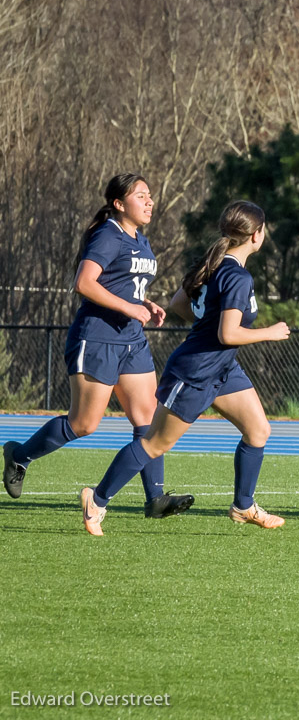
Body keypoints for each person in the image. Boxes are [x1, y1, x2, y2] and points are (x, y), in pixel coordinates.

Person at [78, 200, 291, 536]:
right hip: (196, 371)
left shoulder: (215, 264)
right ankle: (97, 499)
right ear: (256, 235)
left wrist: (208, 325)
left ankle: (243, 506)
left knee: (258, 430)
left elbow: (179, 304)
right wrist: (271, 333)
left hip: (222, 367)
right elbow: (228, 333)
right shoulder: (236, 275)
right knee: (154, 444)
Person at [2, 173, 193, 520]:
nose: (150, 201)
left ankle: (155, 498)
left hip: (131, 340)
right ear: (119, 204)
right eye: (141, 196)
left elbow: (121, 284)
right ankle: (20, 455)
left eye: (150, 195)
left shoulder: (142, 241)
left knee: (148, 419)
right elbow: (84, 283)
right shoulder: (109, 234)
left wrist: (145, 303)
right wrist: (129, 307)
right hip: (97, 338)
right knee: (85, 423)